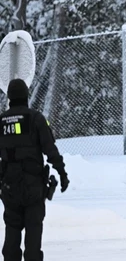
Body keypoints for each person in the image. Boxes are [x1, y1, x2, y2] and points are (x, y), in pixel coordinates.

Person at [0, 79, 69, 261]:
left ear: (10, 97)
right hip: (33, 188)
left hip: (9, 187)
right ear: (26, 96)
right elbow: (50, 150)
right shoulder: (36, 119)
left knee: (12, 234)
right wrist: (62, 174)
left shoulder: (1, 122)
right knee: (33, 235)